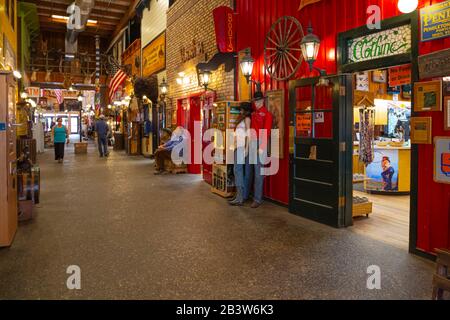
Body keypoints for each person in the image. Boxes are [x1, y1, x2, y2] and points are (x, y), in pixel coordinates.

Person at [249, 90, 273, 208]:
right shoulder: (253, 114)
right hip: (253, 142)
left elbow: (267, 131)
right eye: (255, 101)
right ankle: (252, 195)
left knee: (258, 172)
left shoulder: (267, 114)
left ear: (262, 100)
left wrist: (262, 147)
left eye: (258, 100)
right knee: (253, 170)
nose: (256, 103)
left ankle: (257, 199)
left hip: (260, 143)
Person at [229, 102, 252, 206]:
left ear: (245, 110)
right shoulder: (242, 119)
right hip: (237, 146)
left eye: (242, 109)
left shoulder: (247, 119)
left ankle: (240, 197)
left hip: (242, 147)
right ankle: (239, 195)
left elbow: (249, 134)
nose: (240, 111)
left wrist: (247, 149)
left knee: (237, 171)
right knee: (237, 170)